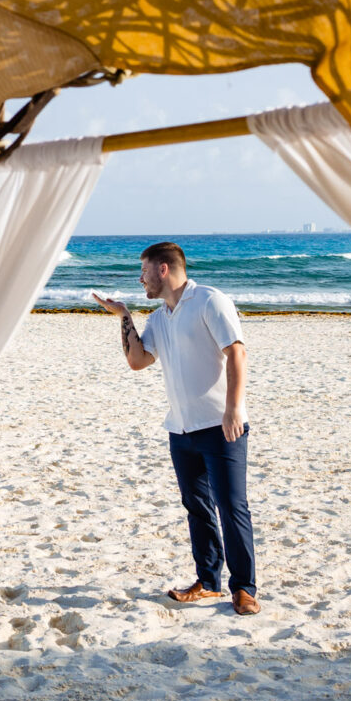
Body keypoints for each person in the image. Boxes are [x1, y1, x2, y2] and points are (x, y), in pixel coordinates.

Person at [93, 241, 259, 616]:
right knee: (197, 509)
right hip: (180, 430)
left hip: (221, 426)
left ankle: (244, 589)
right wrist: (123, 315)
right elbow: (137, 361)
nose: (140, 279)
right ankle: (208, 581)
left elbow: (237, 352)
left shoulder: (209, 301)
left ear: (163, 269)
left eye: (144, 270)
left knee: (232, 508)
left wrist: (233, 408)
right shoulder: (157, 318)